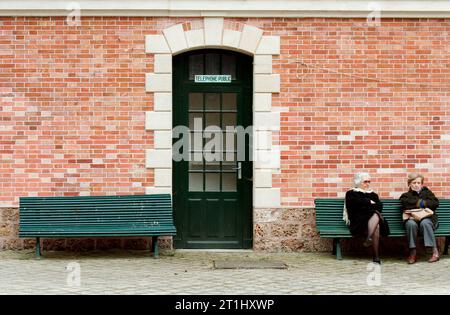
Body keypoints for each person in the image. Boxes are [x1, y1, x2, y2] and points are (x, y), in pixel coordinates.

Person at [344, 172, 384, 264]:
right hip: (358, 222)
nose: (368, 184)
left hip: (372, 220)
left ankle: (369, 240)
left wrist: (365, 204)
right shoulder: (351, 193)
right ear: (358, 182)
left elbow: (379, 207)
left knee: (376, 218)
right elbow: (353, 207)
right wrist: (369, 202)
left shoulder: (373, 194)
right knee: (376, 223)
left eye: (369, 182)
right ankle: (376, 256)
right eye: (365, 181)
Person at [399, 173, 440, 264]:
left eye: (418, 183)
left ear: (421, 184)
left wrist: (417, 204)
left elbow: (435, 203)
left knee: (425, 223)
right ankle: (413, 253)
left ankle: (434, 251)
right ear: (409, 184)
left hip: (427, 219)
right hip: (412, 219)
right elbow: (406, 203)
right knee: (410, 224)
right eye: (414, 183)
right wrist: (424, 204)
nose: (416, 185)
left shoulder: (427, 192)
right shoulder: (405, 195)